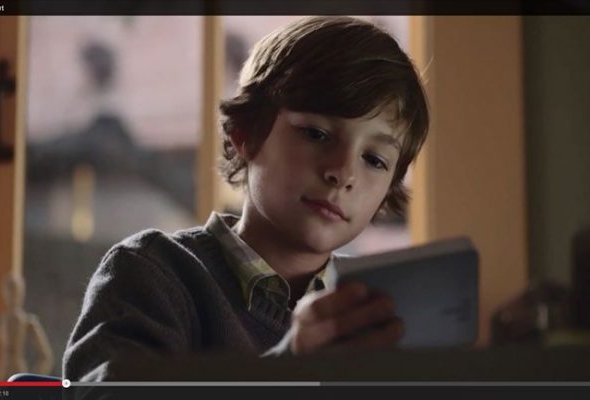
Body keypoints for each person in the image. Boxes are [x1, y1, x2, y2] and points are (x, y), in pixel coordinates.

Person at [63, 16, 429, 381]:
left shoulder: (376, 314)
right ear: (246, 134)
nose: (344, 173)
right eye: (316, 134)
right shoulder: (153, 273)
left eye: (374, 160)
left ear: (388, 191)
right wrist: (289, 369)